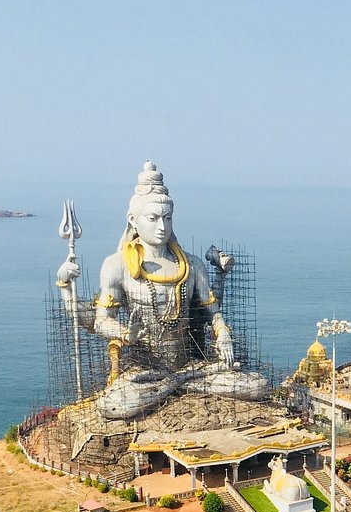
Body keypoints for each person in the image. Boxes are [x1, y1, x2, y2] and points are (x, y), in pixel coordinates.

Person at [56, 162, 264, 417]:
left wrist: (223, 336)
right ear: (133, 219)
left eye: (167, 218)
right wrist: (124, 332)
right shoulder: (117, 265)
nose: (162, 227)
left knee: (258, 386)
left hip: (190, 366)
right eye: (153, 218)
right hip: (145, 371)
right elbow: (100, 321)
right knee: (114, 405)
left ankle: (179, 384)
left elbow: (214, 314)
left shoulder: (193, 265)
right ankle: (180, 386)